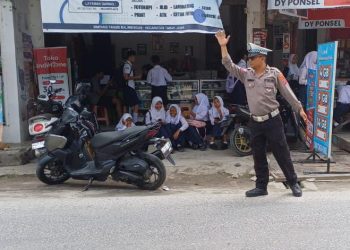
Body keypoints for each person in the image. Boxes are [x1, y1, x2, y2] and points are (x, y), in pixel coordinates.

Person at [215, 30, 307, 197]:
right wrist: (223, 47)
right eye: (249, 58)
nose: (249, 60)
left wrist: (299, 108)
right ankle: (261, 186)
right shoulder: (246, 74)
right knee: (258, 155)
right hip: (255, 121)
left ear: (262, 58)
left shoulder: (275, 73)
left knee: (282, 153)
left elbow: (287, 92)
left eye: (252, 58)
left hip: (273, 120)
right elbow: (228, 65)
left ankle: (293, 182)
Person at [123, 50, 142, 123]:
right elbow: (126, 77)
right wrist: (137, 77)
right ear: (130, 57)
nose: (135, 58)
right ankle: (135, 122)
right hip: (129, 87)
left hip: (130, 87)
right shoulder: (127, 65)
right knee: (136, 104)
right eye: (134, 57)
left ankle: (131, 121)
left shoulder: (129, 65)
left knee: (131, 105)